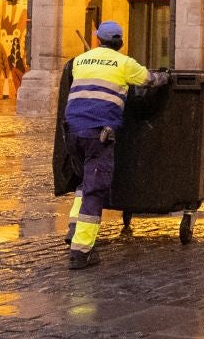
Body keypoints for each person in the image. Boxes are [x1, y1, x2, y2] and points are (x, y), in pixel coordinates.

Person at [61, 20, 165, 268]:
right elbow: (149, 80)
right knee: (94, 190)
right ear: (120, 42)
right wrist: (165, 76)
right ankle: (81, 251)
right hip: (98, 133)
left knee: (84, 181)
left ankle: (74, 229)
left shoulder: (80, 61)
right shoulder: (125, 63)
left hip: (72, 132)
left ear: (97, 39)